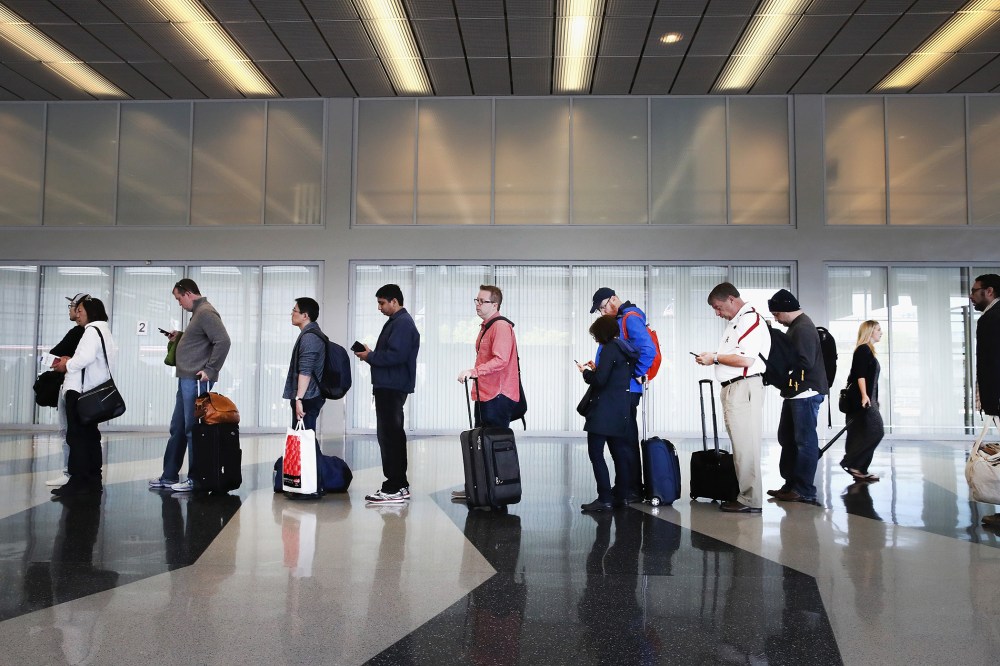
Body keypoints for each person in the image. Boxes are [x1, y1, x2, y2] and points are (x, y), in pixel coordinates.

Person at [149, 279, 231, 493]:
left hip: (195, 381)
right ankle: (169, 476)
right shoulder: (198, 313)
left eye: (178, 298)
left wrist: (211, 370)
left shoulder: (205, 312)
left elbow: (223, 341)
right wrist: (181, 336)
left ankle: (196, 478)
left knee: (192, 429)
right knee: (178, 428)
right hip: (185, 378)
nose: (179, 303)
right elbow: (201, 340)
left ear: (187, 293)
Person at [695, 282, 770, 514]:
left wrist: (714, 358)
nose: (717, 313)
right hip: (734, 388)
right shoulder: (736, 322)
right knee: (741, 445)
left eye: (718, 308)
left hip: (743, 388)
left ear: (731, 299)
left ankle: (750, 499)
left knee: (746, 445)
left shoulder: (749, 320)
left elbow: (746, 360)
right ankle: (746, 494)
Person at [589, 287, 657, 503]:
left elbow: (648, 350)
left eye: (602, 307)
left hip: (625, 392)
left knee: (625, 442)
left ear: (613, 299)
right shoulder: (622, 318)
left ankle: (631, 490)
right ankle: (624, 488)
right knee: (620, 442)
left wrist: (637, 373)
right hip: (618, 391)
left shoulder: (630, 318)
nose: (602, 313)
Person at [453, 285, 521, 500]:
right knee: (482, 443)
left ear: (495, 304)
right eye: (476, 300)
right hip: (486, 393)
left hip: (497, 396)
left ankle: (494, 491)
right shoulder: (486, 326)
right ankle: (479, 488)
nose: (477, 305)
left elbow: (500, 360)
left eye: (482, 301)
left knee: (492, 445)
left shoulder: (500, 326)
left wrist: (474, 372)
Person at [355, 284, 420, 505]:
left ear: (395, 301)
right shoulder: (397, 323)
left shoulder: (402, 324)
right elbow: (392, 354)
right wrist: (371, 354)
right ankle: (398, 485)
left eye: (382, 303)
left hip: (392, 387)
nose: (380, 308)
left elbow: (396, 356)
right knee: (391, 435)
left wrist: (369, 357)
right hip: (389, 386)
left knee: (390, 437)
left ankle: (395, 486)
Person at [766, 289, 829, 505]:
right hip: (796, 393)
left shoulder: (802, 328)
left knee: (804, 442)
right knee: (788, 438)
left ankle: (804, 489)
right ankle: (791, 485)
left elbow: (804, 362)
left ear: (785, 309)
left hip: (806, 392)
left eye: (776, 314)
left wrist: (779, 371)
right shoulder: (797, 327)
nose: (776, 318)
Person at [51, 298, 117, 496]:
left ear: (90, 312)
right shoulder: (104, 331)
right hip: (93, 392)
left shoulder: (91, 331)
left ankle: (77, 481)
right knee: (90, 436)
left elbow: (86, 358)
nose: (77, 314)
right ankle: (93, 479)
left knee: (77, 436)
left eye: (80, 310)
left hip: (80, 392)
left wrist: (67, 364)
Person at [577, 315, 639, 512]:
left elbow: (600, 381)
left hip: (603, 411)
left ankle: (604, 497)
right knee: (619, 453)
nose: (595, 339)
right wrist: (597, 369)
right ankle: (621, 495)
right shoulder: (624, 347)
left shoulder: (608, 348)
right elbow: (614, 375)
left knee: (596, 454)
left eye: (595, 335)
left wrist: (585, 373)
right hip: (620, 409)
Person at [45, 293, 89, 487]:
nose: (72, 311)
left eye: (74, 307)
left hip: (74, 387)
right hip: (76, 386)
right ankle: (76, 472)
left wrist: (65, 361)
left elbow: (55, 353)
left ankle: (70, 472)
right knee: (76, 431)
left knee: (69, 431)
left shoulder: (81, 333)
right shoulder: (88, 333)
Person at [839, 320, 885, 483]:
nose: (881, 332)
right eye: (878, 330)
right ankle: (852, 463)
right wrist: (865, 396)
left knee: (863, 432)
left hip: (869, 399)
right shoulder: (862, 350)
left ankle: (859, 468)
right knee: (876, 431)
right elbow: (860, 375)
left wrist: (873, 398)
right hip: (862, 399)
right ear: (870, 331)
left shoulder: (868, 351)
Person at [971, 275, 1000, 527]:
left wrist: (991, 403)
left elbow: (991, 364)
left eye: (975, 291)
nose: (971, 296)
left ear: (989, 291)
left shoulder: (990, 319)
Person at [283, 297, 326, 431]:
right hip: (310, 394)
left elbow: (305, 372)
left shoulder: (309, 338)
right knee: (305, 439)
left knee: (303, 439)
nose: (292, 313)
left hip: (307, 396)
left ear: (305, 316)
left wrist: (298, 399)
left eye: (295, 310)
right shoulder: (311, 334)